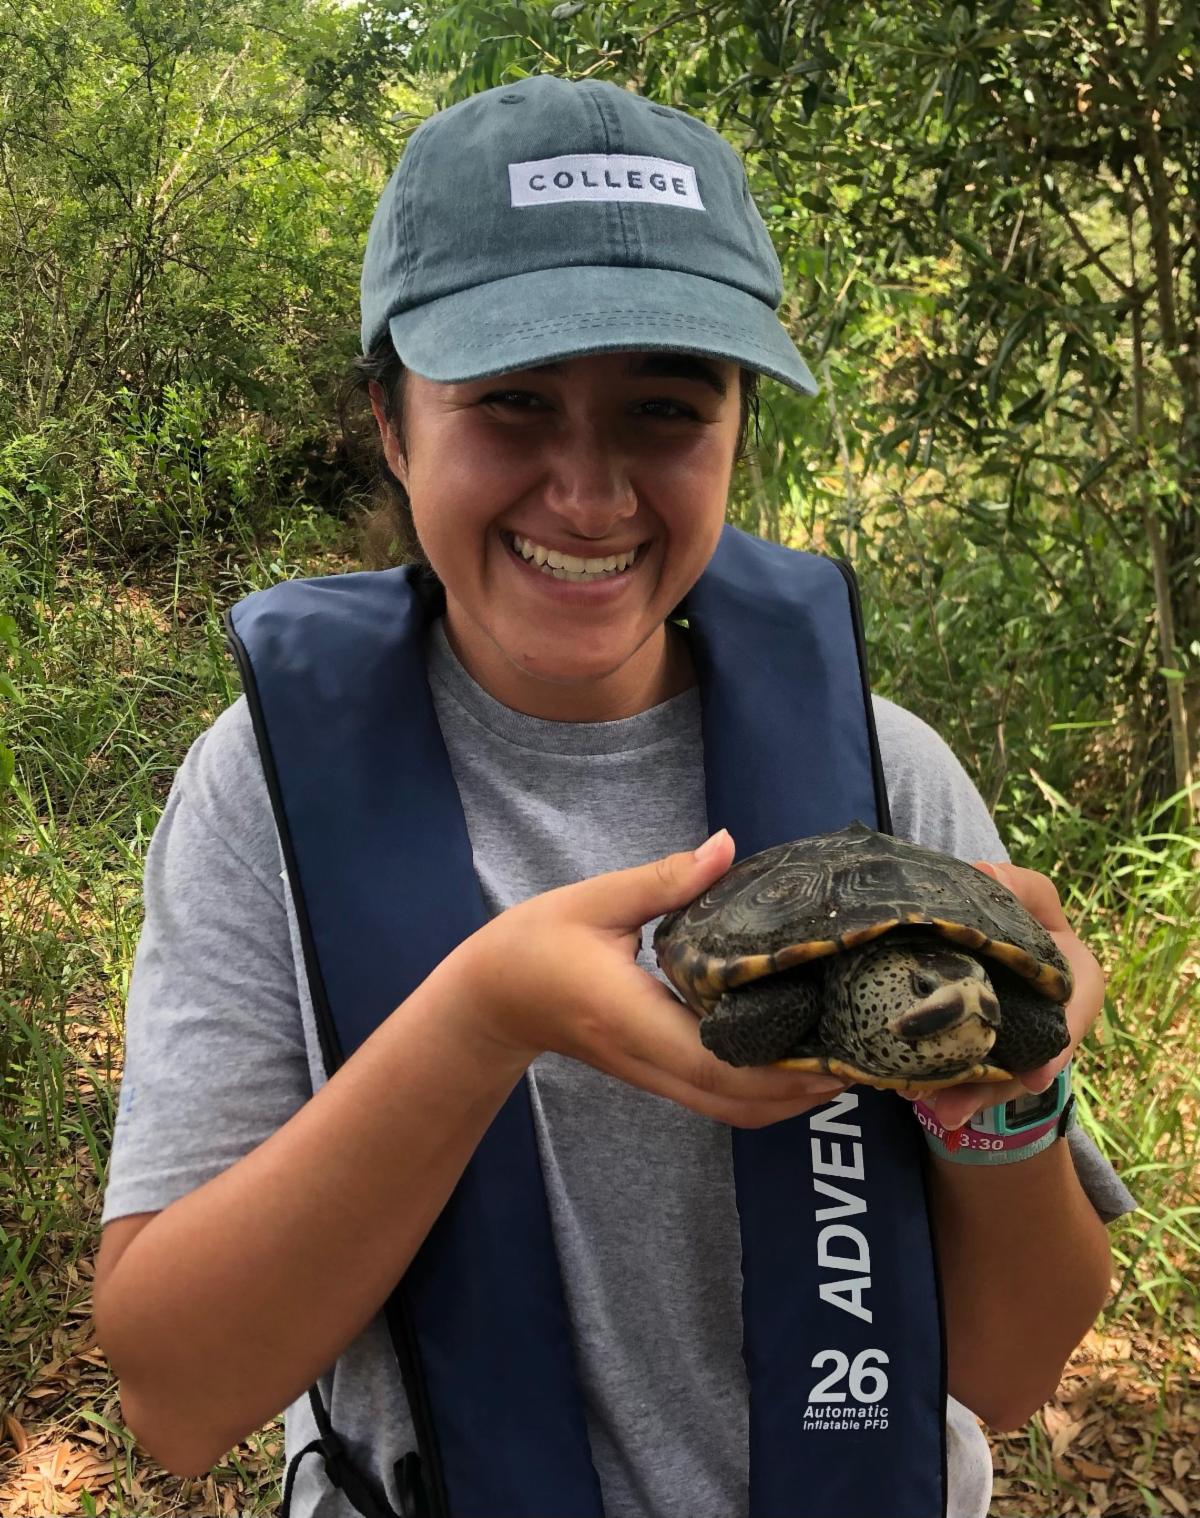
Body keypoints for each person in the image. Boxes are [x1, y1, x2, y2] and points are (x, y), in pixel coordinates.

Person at [93, 75, 1135, 1518]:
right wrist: (484, 1019)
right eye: (512, 403)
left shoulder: (884, 773)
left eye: (663, 408)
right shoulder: (262, 790)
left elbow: (1012, 1371)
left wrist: (1002, 1095)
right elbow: (176, 1396)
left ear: (737, 431)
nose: (588, 496)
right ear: (392, 422)